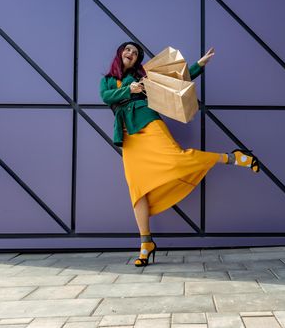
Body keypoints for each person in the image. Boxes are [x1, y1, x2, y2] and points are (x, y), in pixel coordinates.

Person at [100, 41, 260, 267]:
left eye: (135, 53)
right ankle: (146, 242)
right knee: (137, 189)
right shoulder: (107, 79)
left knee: (178, 159)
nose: (131, 53)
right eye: (128, 50)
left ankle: (232, 157)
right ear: (120, 53)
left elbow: (175, 80)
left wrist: (199, 65)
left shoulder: (143, 74)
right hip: (128, 137)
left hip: (148, 122)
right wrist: (128, 89)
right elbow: (106, 96)